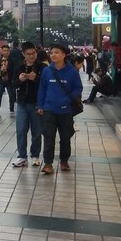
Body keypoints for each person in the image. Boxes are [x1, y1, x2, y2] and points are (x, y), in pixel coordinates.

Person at [37, 44, 83, 175]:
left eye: (56, 52)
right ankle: (48, 163)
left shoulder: (72, 71)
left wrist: (69, 99)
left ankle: (64, 161)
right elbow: (42, 89)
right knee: (48, 137)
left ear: (64, 55)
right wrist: (40, 106)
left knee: (65, 137)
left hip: (66, 111)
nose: (53, 55)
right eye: (51, 53)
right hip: (49, 110)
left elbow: (78, 88)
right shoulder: (47, 71)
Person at [12, 42, 45, 167]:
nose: (31, 56)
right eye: (28, 54)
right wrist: (20, 80)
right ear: (23, 54)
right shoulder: (19, 67)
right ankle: (22, 156)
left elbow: (45, 85)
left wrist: (35, 79)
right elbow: (13, 84)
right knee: (21, 130)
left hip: (36, 103)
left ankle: (35, 156)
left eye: (33, 53)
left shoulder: (42, 67)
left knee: (36, 132)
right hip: (22, 103)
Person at [0, 44, 16, 115]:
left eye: (8, 51)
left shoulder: (13, 60)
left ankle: (11, 108)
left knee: (11, 95)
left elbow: (14, 70)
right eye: (4, 51)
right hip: (0, 79)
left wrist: (13, 79)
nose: (6, 52)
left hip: (9, 80)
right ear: (2, 51)